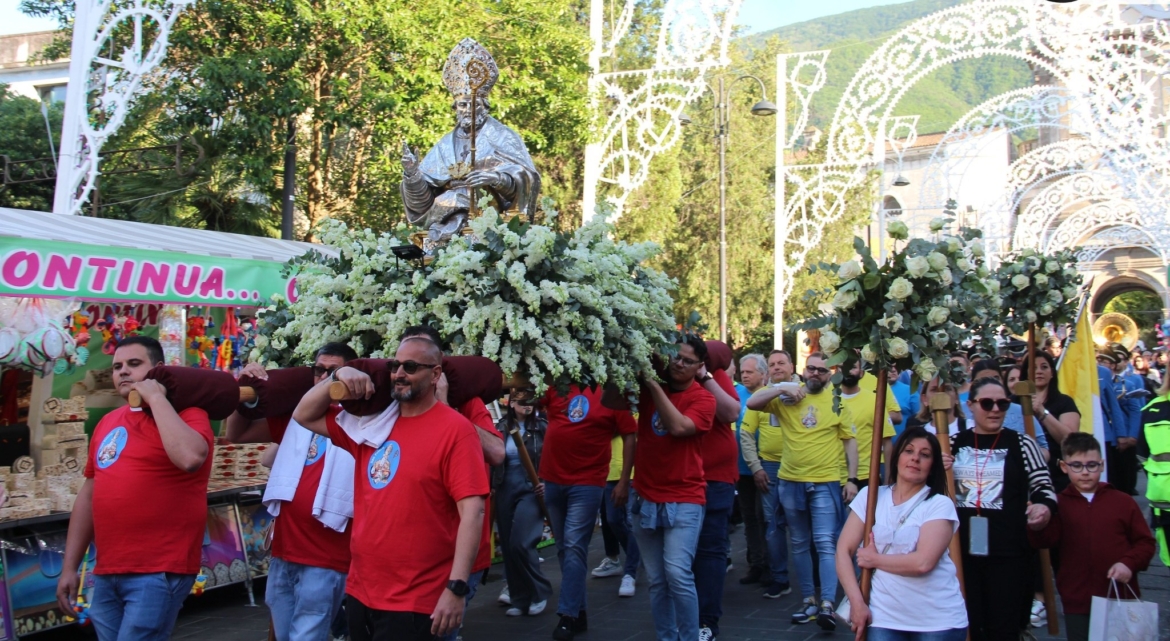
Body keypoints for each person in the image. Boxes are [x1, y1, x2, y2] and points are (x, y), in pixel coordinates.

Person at [293, 337, 488, 641]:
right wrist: (337, 375)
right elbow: (303, 414)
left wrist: (457, 588)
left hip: (417, 598)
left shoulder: (455, 429)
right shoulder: (370, 425)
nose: (399, 374)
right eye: (395, 365)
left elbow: (473, 511)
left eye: (410, 367)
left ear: (435, 375)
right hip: (361, 591)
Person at [57, 336, 214, 641]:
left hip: (158, 568)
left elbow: (192, 457)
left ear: (158, 369)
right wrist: (69, 567)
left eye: (134, 364)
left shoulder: (189, 413)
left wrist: (156, 398)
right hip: (107, 570)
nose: (123, 372)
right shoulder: (108, 422)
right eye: (117, 367)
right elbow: (89, 495)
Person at [225, 342, 359, 641]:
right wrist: (243, 389)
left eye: (333, 371)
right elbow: (236, 434)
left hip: (327, 553)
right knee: (285, 633)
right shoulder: (297, 414)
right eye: (318, 370)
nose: (324, 377)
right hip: (285, 550)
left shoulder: (364, 419)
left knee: (308, 633)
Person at [603, 336, 715, 641]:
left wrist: (652, 385)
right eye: (675, 357)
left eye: (687, 361)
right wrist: (628, 359)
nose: (679, 364)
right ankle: (667, 637)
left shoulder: (703, 399)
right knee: (656, 580)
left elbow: (679, 427)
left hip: (685, 498)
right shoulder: (654, 384)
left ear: (699, 367)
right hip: (646, 497)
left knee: (678, 575)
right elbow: (610, 402)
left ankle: (689, 637)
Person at [398, 326, 505, 641]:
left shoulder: (465, 401)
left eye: (420, 361)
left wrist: (443, 406)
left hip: (459, 551)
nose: (409, 369)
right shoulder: (399, 400)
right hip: (413, 555)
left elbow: (497, 452)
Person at [748, 352, 858, 631]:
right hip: (790, 481)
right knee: (798, 542)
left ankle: (827, 605)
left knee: (824, 543)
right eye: (811, 369)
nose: (816, 374)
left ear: (829, 375)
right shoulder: (787, 397)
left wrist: (852, 479)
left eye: (822, 370)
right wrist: (782, 387)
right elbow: (751, 402)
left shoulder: (837, 401)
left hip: (825, 481)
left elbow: (849, 441)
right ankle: (808, 600)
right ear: (803, 370)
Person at [950, 377, 1056, 641]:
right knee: (967, 625)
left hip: (1009, 553)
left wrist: (1043, 506)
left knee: (1004, 627)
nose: (996, 409)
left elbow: (1043, 484)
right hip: (959, 553)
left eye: (1003, 403)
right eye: (987, 403)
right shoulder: (950, 443)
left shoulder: (1023, 444)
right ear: (971, 405)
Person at [837, 427, 968, 641]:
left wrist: (875, 559)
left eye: (924, 455)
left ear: (932, 465)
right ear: (897, 456)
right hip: (883, 617)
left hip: (937, 620)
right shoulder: (870, 497)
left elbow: (923, 563)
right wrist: (857, 603)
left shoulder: (939, 504)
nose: (915, 458)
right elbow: (843, 550)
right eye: (909, 451)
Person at [1028, 433, 1155, 641]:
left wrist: (1128, 564)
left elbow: (1146, 543)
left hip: (1120, 597)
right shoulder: (1058, 504)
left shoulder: (1123, 502)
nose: (1085, 472)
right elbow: (1044, 542)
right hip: (1077, 600)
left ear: (1102, 465)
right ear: (1063, 466)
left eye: (1092, 465)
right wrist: (1037, 525)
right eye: (1077, 465)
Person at [538, 383, 637, 640]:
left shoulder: (613, 391)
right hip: (552, 478)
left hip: (588, 482)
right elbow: (531, 398)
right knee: (564, 547)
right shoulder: (558, 383)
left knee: (573, 545)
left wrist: (624, 481)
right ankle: (578, 611)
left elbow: (629, 434)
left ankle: (568, 615)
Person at [692, 341, 744, 641]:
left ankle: (706, 621)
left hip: (715, 476)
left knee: (710, 551)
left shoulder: (714, 373)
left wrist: (704, 376)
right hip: (679, 476)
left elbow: (730, 412)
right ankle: (684, 614)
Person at [493, 390, 551, 618]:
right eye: (523, 402)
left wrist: (547, 482)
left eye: (531, 402)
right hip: (505, 486)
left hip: (532, 487)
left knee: (521, 542)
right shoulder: (500, 427)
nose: (528, 406)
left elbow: (553, 455)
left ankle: (539, 592)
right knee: (507, 545)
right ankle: (519, 597)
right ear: (512, 403)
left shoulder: (542, 426)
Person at [734, 353, 776, 588]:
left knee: (766, 517)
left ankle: (772, 564)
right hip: (741, 467)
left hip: (767, 466)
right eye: (743, 371)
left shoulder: (771, 395)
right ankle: (756, 562)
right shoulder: (736, 395)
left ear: (763, 374)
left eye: (750, 371)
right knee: (749, 517)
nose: (745, 375)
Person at [1021, 351, 1082, 492]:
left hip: (1056, 473)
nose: (1039, 372)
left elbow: (1069, 439)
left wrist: (1043, 413)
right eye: (1034, 368)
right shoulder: (1014, 401)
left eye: (1044, 367)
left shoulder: (1065, 402)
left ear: (1052, 372)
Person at [592, 434, 640, 597]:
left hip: (633, 471)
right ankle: (636, 555)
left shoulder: (636, 410)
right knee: (613, 520)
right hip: (608, 470)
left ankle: (630, 572)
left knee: (631, 521)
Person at [838, 359, 896, 488]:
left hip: (866, 476)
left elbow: (887, 442)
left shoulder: (874, 400)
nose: (848, 371)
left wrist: (888, 480)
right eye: (843, 367)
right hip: (832, 476)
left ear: (860, 372)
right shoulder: (829, 397)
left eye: (852, 367)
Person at [1105, 343, 1144, 495]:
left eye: (1105, 362)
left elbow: (1136, 411)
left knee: (1125, 478)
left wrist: (1133, 435)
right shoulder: (1097, 384)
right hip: (1108, 435)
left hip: (1125, 433)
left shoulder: (1128, 383)